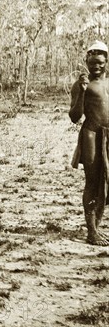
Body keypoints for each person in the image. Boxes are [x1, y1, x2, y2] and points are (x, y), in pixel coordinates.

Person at [69, 40, 109, 246]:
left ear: (106, 61)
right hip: (92, 134)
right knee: (93, 182)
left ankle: (98, 226)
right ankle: (91, 231)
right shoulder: (82, 85)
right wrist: (82, 92)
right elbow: (74, 116)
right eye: (92, 63)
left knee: (106, 184)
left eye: (100, 63)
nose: (96, 66)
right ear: (86, 61)